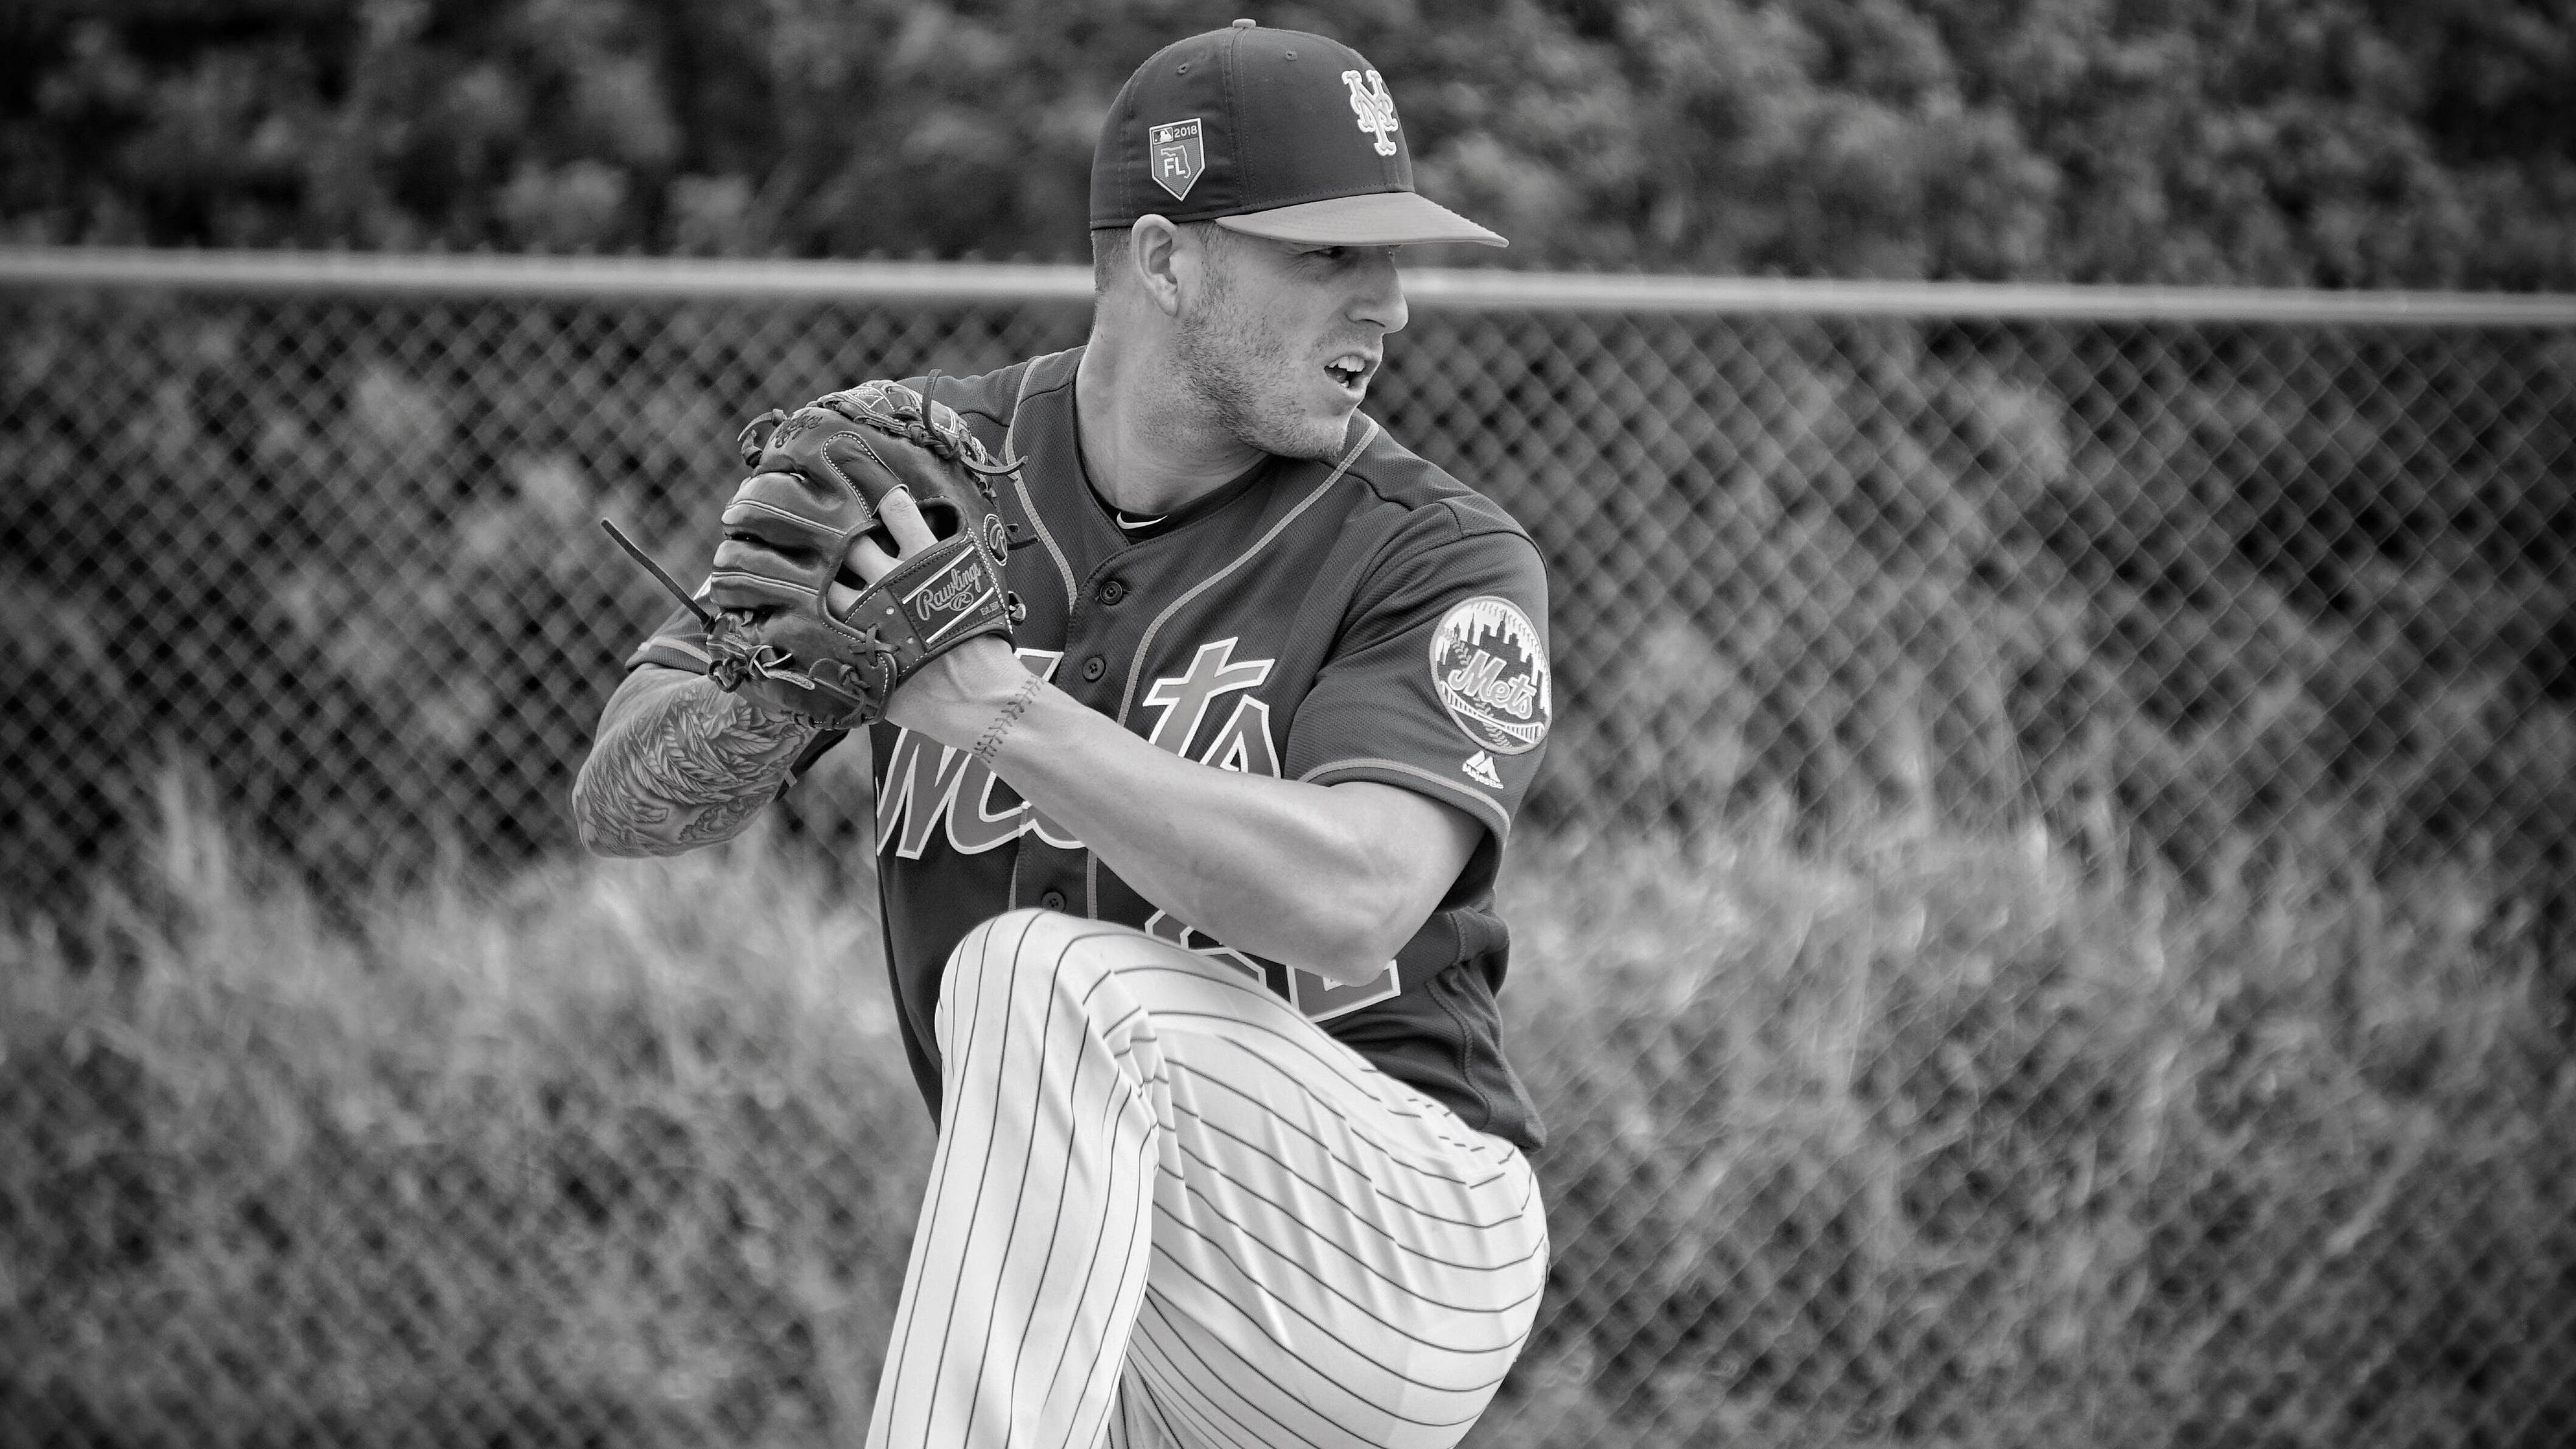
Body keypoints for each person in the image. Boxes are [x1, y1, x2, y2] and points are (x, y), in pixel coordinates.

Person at [573, 20, 1554, 1449]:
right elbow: (625, 802)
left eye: (1392, 258)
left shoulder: (1437, 553)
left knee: (1042, 976)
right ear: (1165, 261)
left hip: (1396, 1242)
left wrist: (995, 708)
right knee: (1038, 1034)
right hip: (1117, 1281)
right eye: (1331, 256)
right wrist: (790, 680)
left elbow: (1356, 902)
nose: (1392, 307)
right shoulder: (923, 479)